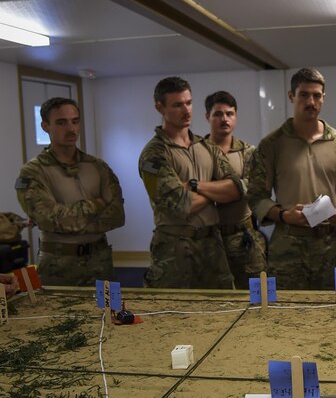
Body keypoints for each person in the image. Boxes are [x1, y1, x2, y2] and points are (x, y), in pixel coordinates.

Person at [248, 68, 336, 289]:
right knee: (287, 313)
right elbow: (255, 196)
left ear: (323, 98)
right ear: (292, 96)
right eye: (304, 95)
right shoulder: (272, 144)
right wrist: (283, 215)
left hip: (331, 244)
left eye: (317, 95)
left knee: (334, 313)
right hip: (287, 246)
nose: (311, 101)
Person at [139, 77, 242, 289]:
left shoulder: (206, 147)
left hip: (212, 247)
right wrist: (215, 189)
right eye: (177, 105)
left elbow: (235, 188)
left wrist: (195, 186)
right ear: (160, 107)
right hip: (174, 250)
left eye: (189, 103)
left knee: (220, 313)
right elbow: (180, 206)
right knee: (174, 314)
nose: (186, 110)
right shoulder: (153, 155)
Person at [16, 97, 124, 286]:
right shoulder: (33, 171)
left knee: (109, 314)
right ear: (45, 126)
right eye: (61, 122)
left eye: (75, 121)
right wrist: (96, 204)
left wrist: (69, 219)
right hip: (58, 266)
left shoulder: (98, 166)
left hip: (101, 263)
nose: (71, 129)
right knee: (60, 315)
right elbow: (49, 219)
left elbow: (116, 216)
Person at [204, 91, 268, 289]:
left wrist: (206, 189)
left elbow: (251, 189)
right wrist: (231, 188)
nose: (224, 119)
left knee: (256, 296)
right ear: (208, 116)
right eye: (218, 114)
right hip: (207, 239)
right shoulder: (196, 152)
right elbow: (188, 193)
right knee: (213, 300)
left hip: (243, 237)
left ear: (236, 116)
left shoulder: (248, 152)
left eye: (230, 114)